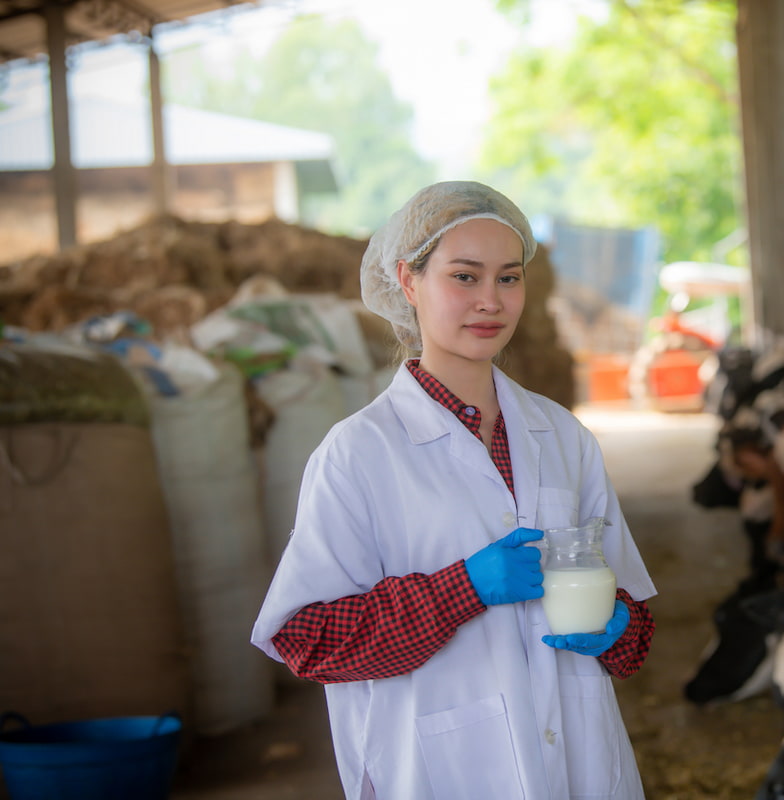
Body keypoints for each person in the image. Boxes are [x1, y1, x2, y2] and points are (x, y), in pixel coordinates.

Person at [251, 181, 657, 799]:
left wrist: (617, 625)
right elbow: (308, 639)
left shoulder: (564, 437)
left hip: (582, 764)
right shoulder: (358, 454)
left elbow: (634, 629)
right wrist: (459, 590)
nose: (490, 302)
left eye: (509, 277)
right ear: (408, 282)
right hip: (443, 769)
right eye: (464, 277)